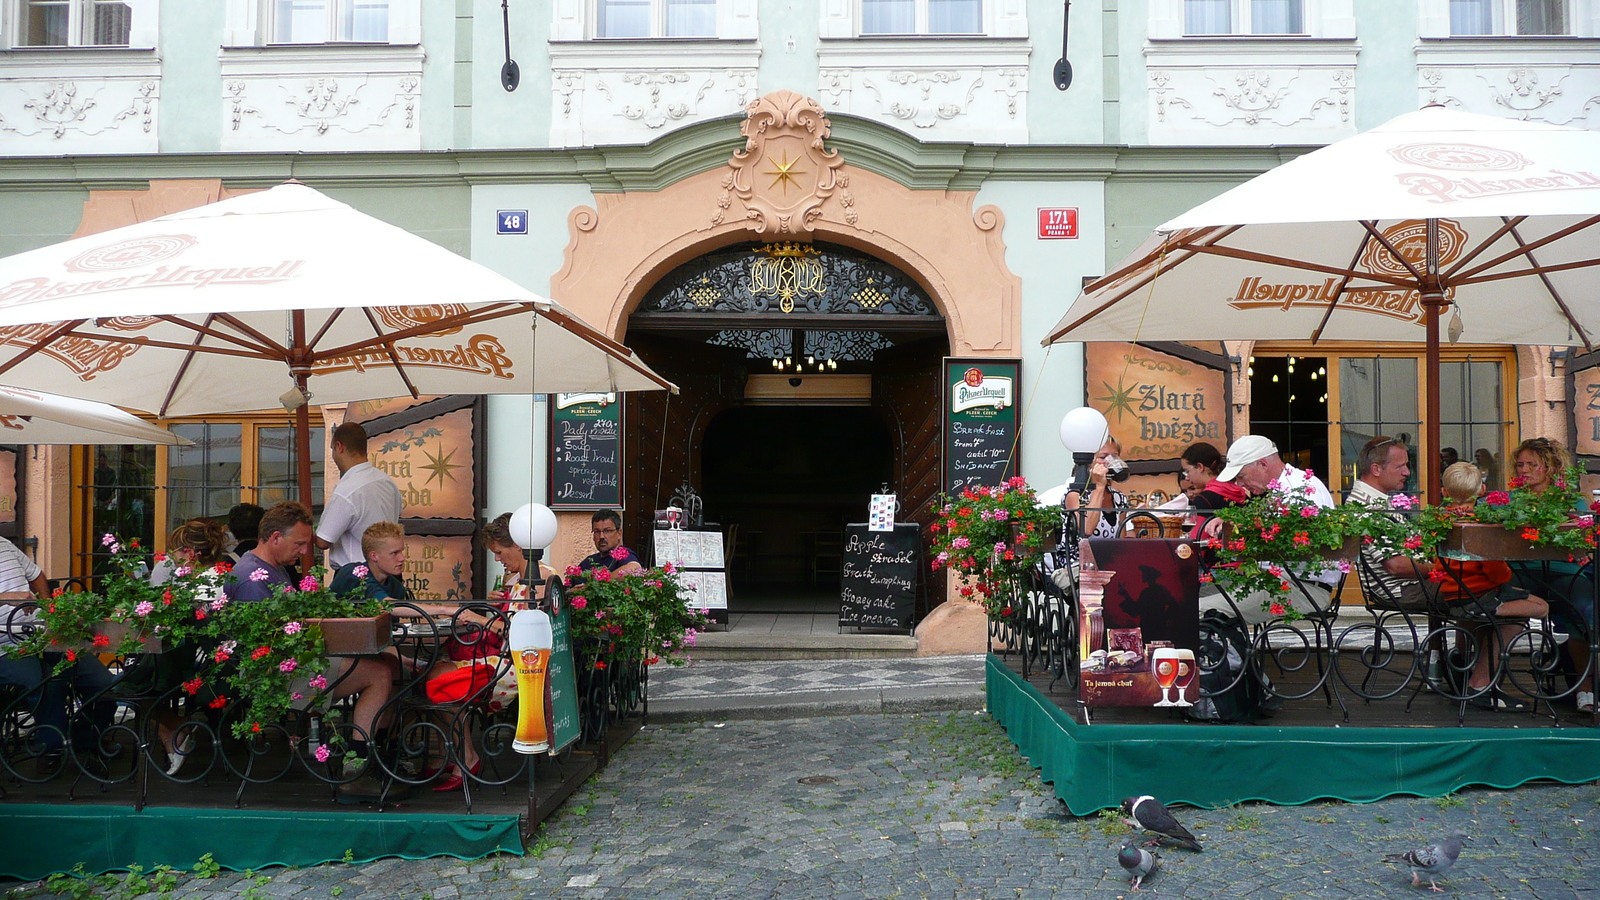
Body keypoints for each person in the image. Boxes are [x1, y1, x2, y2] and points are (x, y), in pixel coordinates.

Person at [227, 502, 396, 802]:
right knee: (379, 674)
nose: (305, 552)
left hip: (290, 663)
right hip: (272, 674)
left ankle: (374, 761)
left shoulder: (273, 569)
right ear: (275, 537)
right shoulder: (252, 577)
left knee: (384, 665)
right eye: (300, 544)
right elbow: (274, 642)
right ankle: (356, 774)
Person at [1433, 461, 1552, 710]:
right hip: (1480, 595)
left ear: (1444, 492)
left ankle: (1474, 673)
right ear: (1482, 491)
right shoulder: (1482, 525)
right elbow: (1496, 573)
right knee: (1538, 608)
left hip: (1452, 593)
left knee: (1520, 607)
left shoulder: (1439, 520)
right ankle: (1481, 683)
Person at [0, 535, 114, 775]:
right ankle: (50, 750)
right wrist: (7, 598)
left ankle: (84, 742)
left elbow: (36, 575)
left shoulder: (4, 544)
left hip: (41, 634)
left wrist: (46, 605)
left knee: (102, 682)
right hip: (4, 646)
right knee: (45, 683)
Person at [1201, 435, 1339, 625]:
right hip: (1282, 581)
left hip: (1302, 588)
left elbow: (1296, 549)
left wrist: (1241, 535)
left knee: (1199, 609)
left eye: (1241, 476)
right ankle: (1231, 650)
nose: (1240, 484)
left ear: (1263, 464)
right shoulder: (1283, 488)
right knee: (1193, 595)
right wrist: (1231, 519)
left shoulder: (1301, 490)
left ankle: (1226, 652)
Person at [1504, 437, 1596, 711]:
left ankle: (1586, 692)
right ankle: (1491, 682)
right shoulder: (1507, 501)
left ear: (1552, 468)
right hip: (1522, 571)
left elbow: (1584, 540)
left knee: (1585, 610)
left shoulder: (1572, 502)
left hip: (1564, 572)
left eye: (1533, 464)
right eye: (1520, 464)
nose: (1524, 470)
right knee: (1498, 602)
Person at [140, 519, 231, 775]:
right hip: (194, 656)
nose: (171, 557)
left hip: (201, 662)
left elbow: (172, 621)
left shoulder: (206, 581)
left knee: (132, 683)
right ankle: (175, 733)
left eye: (176, 551)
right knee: (138, 675)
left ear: (191, 553)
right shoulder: (210, 575)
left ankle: (176, 731)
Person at [1346, 436, 1434, 613]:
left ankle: (1466, 641)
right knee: (1479, 588)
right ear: (1376, 469)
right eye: (1400, 466)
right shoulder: (1367, 506)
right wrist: (1438, 568)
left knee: (1478, 586)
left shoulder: (1374, 501)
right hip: (1401, 591)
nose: (1407, 472)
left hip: (1409, 587)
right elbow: (1396, 565)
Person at [315, 422, 403, 570]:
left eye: (333, 449)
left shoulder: (347, 490)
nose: (333, 455)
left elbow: (323, 541)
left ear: (339, 446)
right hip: (389, 572)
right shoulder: (386, 481)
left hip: (357, 576)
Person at [1063, 437, 1132, 559]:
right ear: (1089, 462)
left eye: (1114, 456)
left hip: (1108, 564)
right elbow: (1086, 529)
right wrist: (1099, 486)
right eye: (1102, 457)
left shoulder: (1118, 498)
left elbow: (1120, 543)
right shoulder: (1075, 494)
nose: (1109, 461)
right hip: (1079, 566)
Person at [579, 509, 645, 577]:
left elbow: (634, 568)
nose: (601, 536)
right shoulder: (588, 562)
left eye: (607, 531)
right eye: (597, 532)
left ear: (619, 534)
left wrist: (602, 581)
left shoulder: (623, 556)